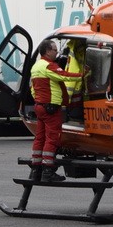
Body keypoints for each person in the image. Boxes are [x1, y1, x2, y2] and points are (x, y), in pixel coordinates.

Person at [29, 39, 86, 182]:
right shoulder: (49, 66)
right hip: (50, 108)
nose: (57, 52)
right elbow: (64, 76)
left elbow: (32, 89)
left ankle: (35, 170)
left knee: (40, 138)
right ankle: (48, 172)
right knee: (52, 138)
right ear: (47, 51)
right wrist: (82, 76)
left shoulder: (36, 66)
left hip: (40, 107)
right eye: (55, 50)